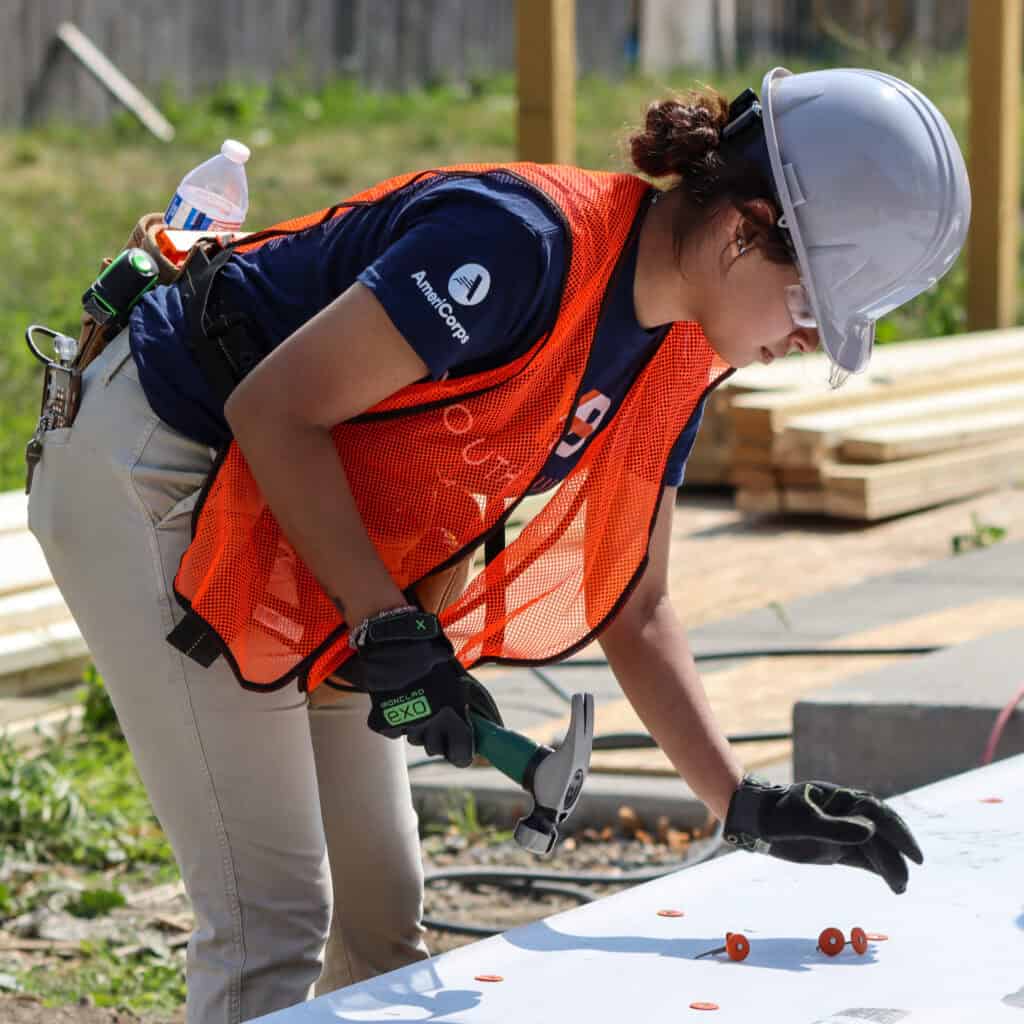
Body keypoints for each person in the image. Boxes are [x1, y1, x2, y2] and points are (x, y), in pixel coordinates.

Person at [27, 66, 969, 1024]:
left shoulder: (681, 349)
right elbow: (273, 409)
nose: (809, 340)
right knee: (271, 920)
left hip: (288, 502)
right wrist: (386, 623)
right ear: (741, 231)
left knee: (384, 922)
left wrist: (742, 804)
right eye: (813, 305)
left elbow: (637, 604)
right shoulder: (518, 245)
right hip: (157, 464)